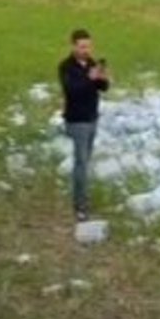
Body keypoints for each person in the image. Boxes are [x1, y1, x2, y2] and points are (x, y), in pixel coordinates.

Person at [59, 28, 110, 221]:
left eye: (88, 46)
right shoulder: (66, 67)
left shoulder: (91, 63)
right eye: (82, 46)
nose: (86, 50)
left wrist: (102, 78)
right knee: (81, 163)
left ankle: (82, 196)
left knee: (86, 161)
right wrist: (89, 78)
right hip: (76, 120)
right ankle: (80, 204)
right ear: (73, 46)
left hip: (92, 118)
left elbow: (102, 88)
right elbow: (72, 90)